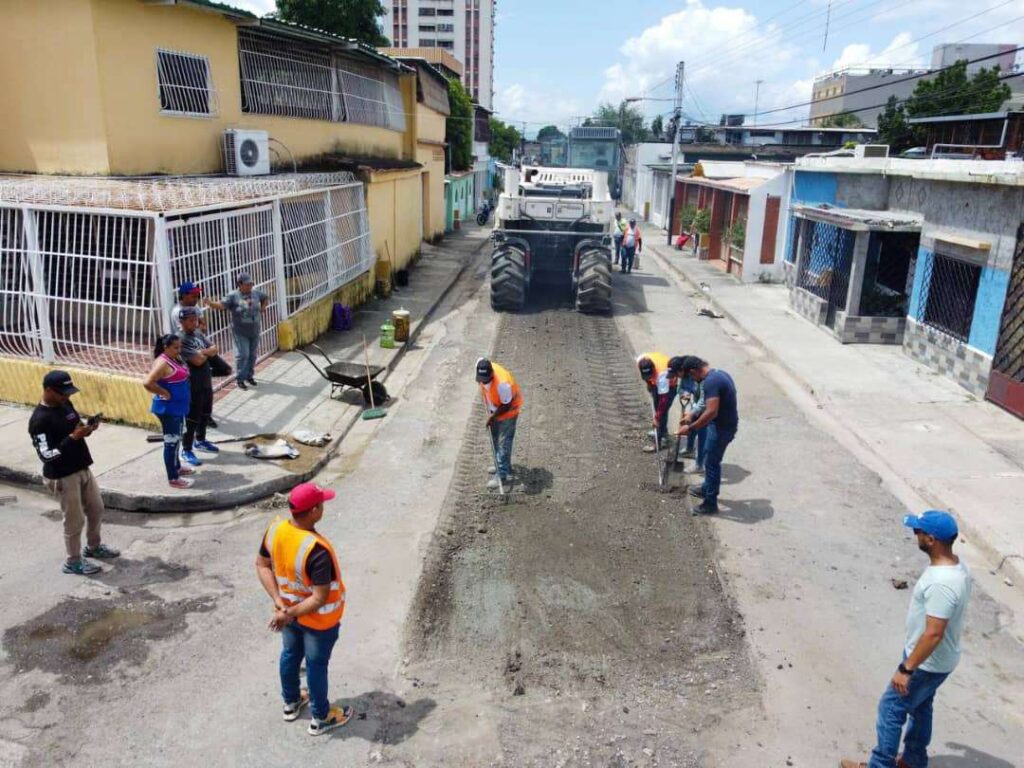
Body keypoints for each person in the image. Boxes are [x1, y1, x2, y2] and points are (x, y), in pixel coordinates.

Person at [841, 510, 972, 768]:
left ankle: (880, 764)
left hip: (925, 662)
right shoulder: (957, 565)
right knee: (922, 706)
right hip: (940, 660)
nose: (915, 535)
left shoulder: (941, 583)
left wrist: (906, 668)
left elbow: (934, 633)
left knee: (890, 710)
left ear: (931, 540)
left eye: (918, 532)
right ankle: (912, 760)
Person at [256, 482, 353, 736]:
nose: (323, 508)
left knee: (289, 654)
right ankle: (321, 717)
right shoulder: (316, 550)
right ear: (313, 511)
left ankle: (291, 702)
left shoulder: (275, 530)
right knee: (315, 664)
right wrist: (286, 612)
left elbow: (262, 565)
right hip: (318, 621)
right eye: (321, 504)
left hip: (288, 613)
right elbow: (320, 598)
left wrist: (280, 603)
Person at [29, 371, 120, 575]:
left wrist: (87, 429)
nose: (67, 397)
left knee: (96, 508)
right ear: (49, 390)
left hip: (82, 467)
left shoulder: (66, 405)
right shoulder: (39, 421)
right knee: (74, 519)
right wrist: (73, 437)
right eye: (63, 393)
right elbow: (46, 455)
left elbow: (75, 427)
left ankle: (94, 547)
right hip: (62, 475)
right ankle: (73, 561)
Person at [675, 356, 738, 515]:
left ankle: (710, 503)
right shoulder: (719, 374)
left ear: (693, 371)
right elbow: (708, 405)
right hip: (721, 424)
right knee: (710, 459)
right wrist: (692, 415)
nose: (694, 381)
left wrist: (690, 428)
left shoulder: (710, 382)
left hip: (721, 428)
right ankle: (706, 488)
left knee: (711, 463)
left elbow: (711, 411)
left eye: (692, 377)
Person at [142, 334, 195, 489]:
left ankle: (177, 467)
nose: (179, 350)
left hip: (177, 408)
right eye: (175, 348)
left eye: (180, 347)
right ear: (166, 347)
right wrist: (164, 393)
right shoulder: (162, 363)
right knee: (171, 443)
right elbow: (147, 382)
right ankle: (173, 478)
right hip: (168, 409)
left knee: (176, 439)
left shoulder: (172, 359)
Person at [211, 272, 267, 390]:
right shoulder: (233, 296)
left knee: (252, 355)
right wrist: (210, 303)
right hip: (240, 331)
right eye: (247, 284)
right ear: (239, 284)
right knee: (243, 355)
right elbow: (221, 306)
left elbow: (265, 297)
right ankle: (240, 379)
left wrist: (262, 308)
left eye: (251, 284)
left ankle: (249, 376)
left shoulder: (256, 293)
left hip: (254, 330)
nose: (250, 286)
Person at [179, 308, 220, 466]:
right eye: (190, 320)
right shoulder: (181, 339)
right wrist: (206, 353)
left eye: (195, 319)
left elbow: (215, 349)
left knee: (206, 412)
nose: (194, 323)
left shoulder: (198, 334)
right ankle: (186, 449)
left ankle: (200, 440)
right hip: (192, 383)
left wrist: (203, 352)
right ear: (182, 322)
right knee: (192, 417)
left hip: (205, 380)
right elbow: (197, 361)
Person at [476, 358, 523, 490]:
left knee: (503, 443)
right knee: (495, 439)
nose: (482, 381)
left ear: (491, 374)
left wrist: (492, 417)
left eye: (485, 379)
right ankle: (501, 465)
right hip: (495, 408)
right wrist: (491, 413)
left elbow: (507, 404)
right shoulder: (480, 364)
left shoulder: (502, 384)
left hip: (509, 411)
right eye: (480, 378)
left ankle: (501, 474)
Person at [669, 356, 707, 474]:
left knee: (702, 436)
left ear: (682, 370)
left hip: (705, 410)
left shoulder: (700, 378)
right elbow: (680, 389)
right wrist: (685, 393)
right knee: (690, 428)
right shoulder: (685, 377)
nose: (677, 377)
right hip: (695, 407)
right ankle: (689, 449)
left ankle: (700, 464)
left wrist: (691, 413)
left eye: (677, 374)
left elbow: (703, 400)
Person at [637, 352, 673, 453]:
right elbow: (645, 376)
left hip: (670, 385)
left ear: (654, 369)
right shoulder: (640, 360)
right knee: (659, 410)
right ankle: (662, 434)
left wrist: (657, 418)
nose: (648, 377)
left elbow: (664, 399)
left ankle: (659, 442)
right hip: (657, 382)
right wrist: (649, 383)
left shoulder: (662, 375)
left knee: (662, 411)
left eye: (650, 375)